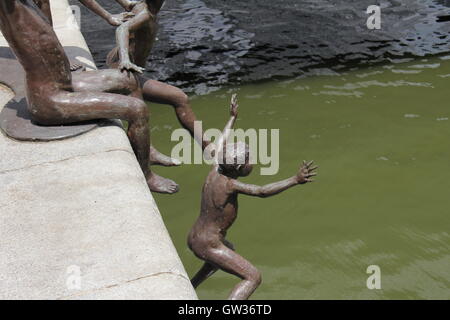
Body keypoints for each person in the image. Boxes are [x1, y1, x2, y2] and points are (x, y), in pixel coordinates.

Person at [0, 0, 178, 194]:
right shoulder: (11, 9)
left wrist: (111, 13)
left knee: (130, 80)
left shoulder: (33, 4)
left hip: (65, 82)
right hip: (50, 99)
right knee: (137, 110)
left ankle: (147, 151)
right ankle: (146, 176)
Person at [188, 95, 318, 300]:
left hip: (195, 236)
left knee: (228, 249)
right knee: (252, 277)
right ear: (240, 168)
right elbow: (262, 191)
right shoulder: (231, 185)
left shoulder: (216, 169)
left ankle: (190, 286)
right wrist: (294, 179)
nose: (253, 160)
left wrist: (232, 118)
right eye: (250, 159)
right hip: (208, 244)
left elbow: (220, 142)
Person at [108, 0, 208, 166]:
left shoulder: (149, 7)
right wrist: (125, 59)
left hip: (130, 69)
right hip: (124, 71)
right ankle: (149, 153)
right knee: (148, 107)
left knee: (180, 98)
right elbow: (122, 29)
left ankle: (208, 147)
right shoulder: (145, 15)